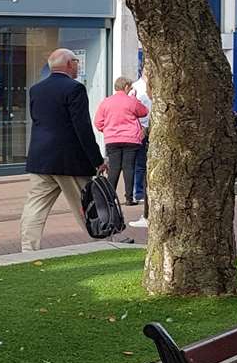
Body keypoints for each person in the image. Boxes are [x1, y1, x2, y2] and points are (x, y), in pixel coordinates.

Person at [20, 48, 106, 251]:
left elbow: (37, 120)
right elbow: (82, 128)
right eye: (76, 61)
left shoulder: (36, 89)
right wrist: (97, 159)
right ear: (69, 64)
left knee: (35, 206)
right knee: (85, 205)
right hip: (69, 161)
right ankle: (102, 243)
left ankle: (28, 248)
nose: (78, 65)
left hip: (40, 159)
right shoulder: (74, 89)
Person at [93, 77, 149, 207]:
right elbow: (144, 112)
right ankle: (129, 198)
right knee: (129, 168)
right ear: (126, 87)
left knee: (114, 169)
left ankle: (109, 198)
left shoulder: (106, 102)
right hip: (131, 140)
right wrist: (134, 98)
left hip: (112, 139)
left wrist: (107, 130)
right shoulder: (131, 101)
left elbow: (98, 122)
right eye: (129, 87)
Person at [130, 66, 151, 214]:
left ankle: (141, 191)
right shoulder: (136, 88)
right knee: (140, 163)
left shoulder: (152, 87)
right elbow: (134, 110)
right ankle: (138, 192)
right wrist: (142, 127)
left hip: (152, 127)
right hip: (142, 129)